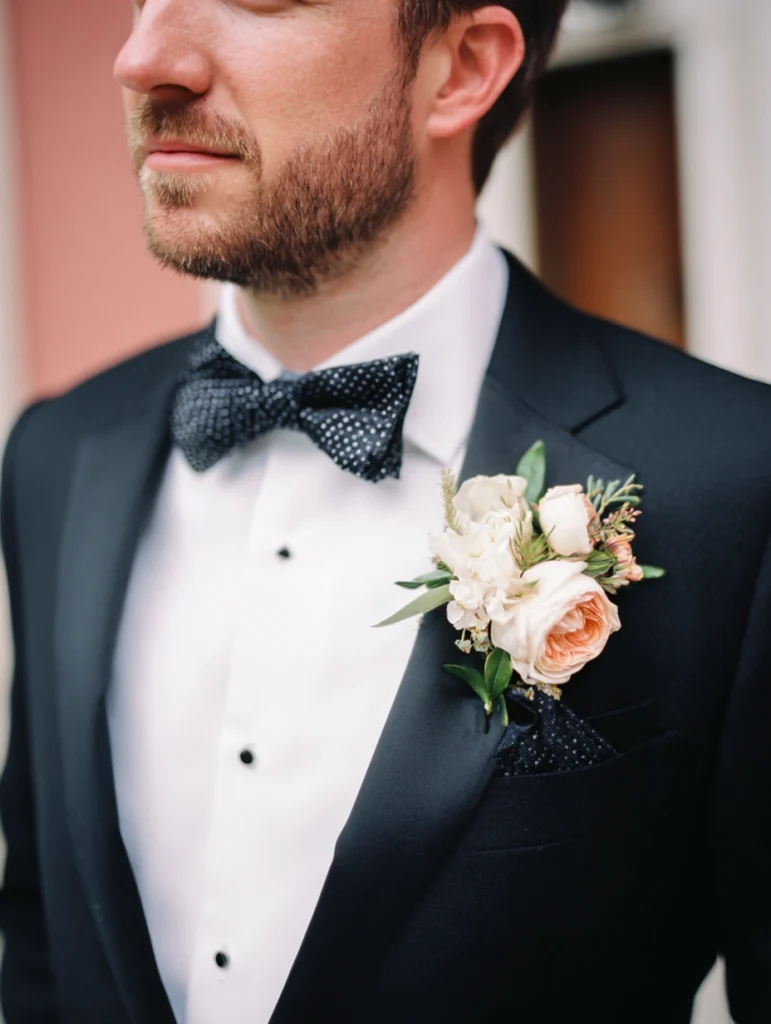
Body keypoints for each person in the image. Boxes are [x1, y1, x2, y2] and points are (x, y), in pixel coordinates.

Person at [1, 1, 770, 1021]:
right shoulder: (55, 454)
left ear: (462, 67)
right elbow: (43, 940)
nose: (144, 57)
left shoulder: (735, 483)